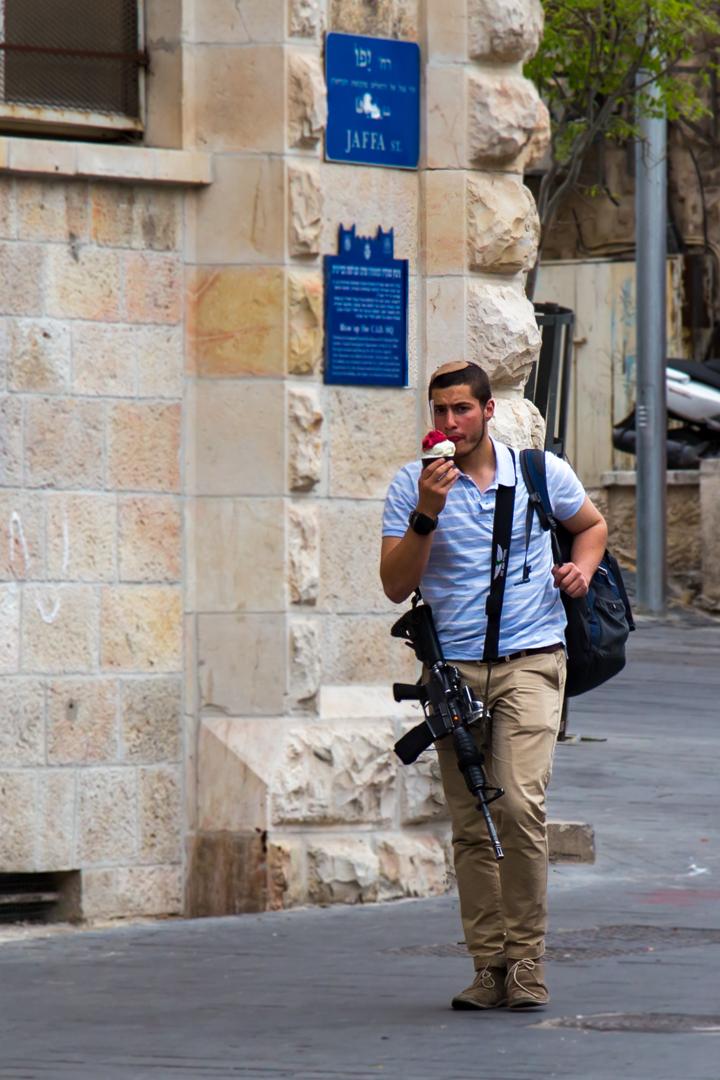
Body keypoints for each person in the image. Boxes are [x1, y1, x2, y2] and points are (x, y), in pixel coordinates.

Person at [380, 360, 608, 1010]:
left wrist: (582, 571)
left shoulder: (538, 472)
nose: (449, 424)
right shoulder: (411, 487)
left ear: (488, 412)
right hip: (452, 673)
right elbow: (396, 584)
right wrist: (428, 511)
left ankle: (528, 962)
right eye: (439, 412)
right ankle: (489, 967)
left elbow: (591, 526)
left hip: (532, 661)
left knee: (517, 807)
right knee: (473, 823)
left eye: (460, 410)